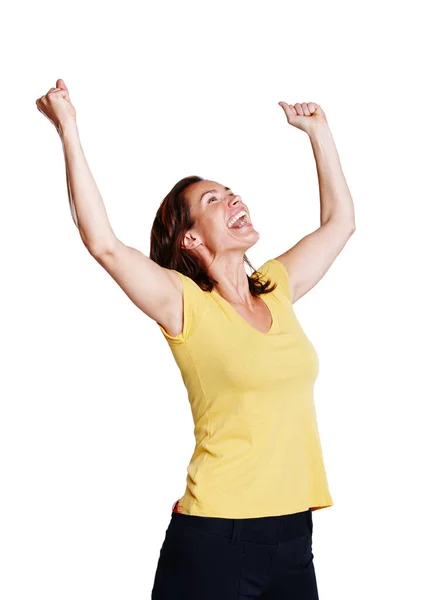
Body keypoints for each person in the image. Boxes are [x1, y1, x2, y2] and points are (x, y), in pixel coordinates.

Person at [36, 79, 356, 599]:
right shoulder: (184, 304)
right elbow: (104, 244)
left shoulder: (274, 288)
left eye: (231, 192)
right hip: (217, 541)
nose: (233, 198)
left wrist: (319, 133)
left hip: (294, 537)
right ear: (191, 238)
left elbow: (340, 224)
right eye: (214, 199)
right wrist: (68, 128)